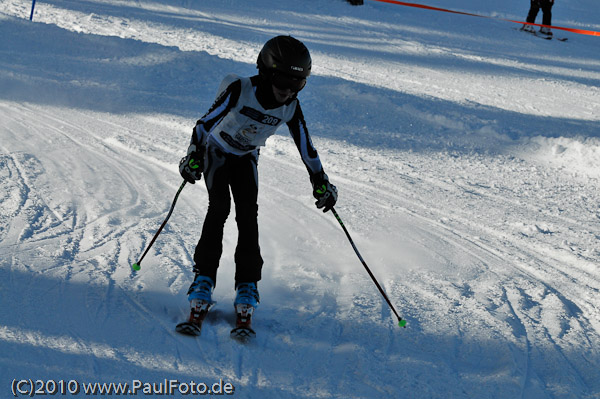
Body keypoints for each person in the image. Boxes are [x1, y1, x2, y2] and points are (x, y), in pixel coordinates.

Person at [176, 35, 338, 337]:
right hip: (217, 152)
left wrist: (320, 182)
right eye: (282, 81)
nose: (287, 91)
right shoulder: (241, 89)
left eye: (297, 84)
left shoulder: (291, 106)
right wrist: (193, 155)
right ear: (265, 71)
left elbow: (307, 147)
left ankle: (248, 283)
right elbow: (204, 124)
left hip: (246, 156)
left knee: (248, 215)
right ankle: (203, 278)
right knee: (219, 208)